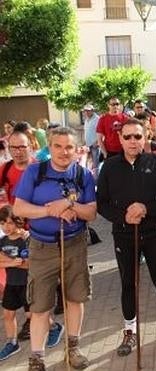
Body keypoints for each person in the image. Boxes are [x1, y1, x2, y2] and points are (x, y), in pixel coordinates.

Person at [97, 118, 156, 356]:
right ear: (120, 139)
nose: (133, 141)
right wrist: (124, 215)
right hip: (124, 234)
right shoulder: (110, 167)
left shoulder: (155, 163)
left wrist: (146, 209)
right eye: (128, 137)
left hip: (154, 232)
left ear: (145, 138)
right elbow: (101, 204)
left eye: (137, 136)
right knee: (128, 282)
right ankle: (129, 331)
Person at [13, 127, 97, 370]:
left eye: (69, 147)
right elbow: (19, 208)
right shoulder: (34, 171)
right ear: (49, 148)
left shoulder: (83, 175)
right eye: (58, 146)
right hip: (41, 247)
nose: (63, 152)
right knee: (40, 305)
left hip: (74, 244)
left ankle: (73, 349)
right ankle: (36, 358)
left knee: (75, 298)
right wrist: (49, 210)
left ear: (76, 149)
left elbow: (90, 213)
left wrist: (69, 205)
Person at [0, 206, 30, 361]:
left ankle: (53, 328)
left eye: (10, 223)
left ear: (18, 221)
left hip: (27, 283)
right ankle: (12, 342)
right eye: (3, 223)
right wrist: (12, 263)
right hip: (12, 283)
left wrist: (10, 262)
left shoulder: (25, 239)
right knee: (7, 314)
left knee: (32, 314)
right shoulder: (2, 241)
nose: (6, 227)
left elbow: (29, 264)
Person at [82, 105, 100, 177]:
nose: (87, 112)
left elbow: (101, 132)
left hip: (95, 145)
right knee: (87, 164)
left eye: (88, 110)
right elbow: (86, 132)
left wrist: (98, 142)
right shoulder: (86, 120)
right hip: (88, 145)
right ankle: (89, 178)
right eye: (85, 111)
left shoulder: (97, 119)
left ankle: (96, 181)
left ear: (92, 110)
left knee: (96, 164)